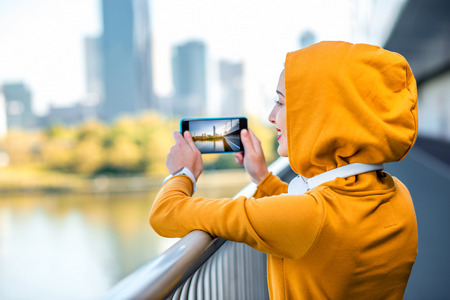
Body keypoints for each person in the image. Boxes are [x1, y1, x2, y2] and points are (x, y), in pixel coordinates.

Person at [150, 41, 418, 299]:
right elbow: (319, 214)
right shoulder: (399, 196)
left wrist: (183, 173)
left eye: (281, 102)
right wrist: (262, 177)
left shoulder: (310, 218)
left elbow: (165, 213)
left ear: (319, 112)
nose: (270, 115)